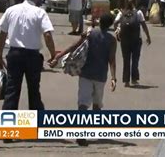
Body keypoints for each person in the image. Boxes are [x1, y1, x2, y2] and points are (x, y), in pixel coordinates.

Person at [0, 0, 56, 142]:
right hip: (32, 56)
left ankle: (7, 132)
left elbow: (2, 34)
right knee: (34, 91)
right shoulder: (40, 12)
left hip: (14, 54)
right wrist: (53, 55)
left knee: (12, 92)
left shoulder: (11, 10)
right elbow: (47, 35)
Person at [49, 12, 116, 146]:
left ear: (99, 22)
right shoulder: (111, 40)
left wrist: (57, 57)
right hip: (100, 76)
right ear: (110, 25)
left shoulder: (90, 34)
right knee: (97, 104)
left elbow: (74, 46)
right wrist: (114, 78)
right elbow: (112, 60)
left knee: (83, 104)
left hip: (85, 74)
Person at [114, 0, 151, 87]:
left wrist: (117, 33)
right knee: (135, 60)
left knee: (126, 60)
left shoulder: (121, 13)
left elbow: (115, 23)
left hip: (125, 40)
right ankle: (134, 79)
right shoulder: (138, 13)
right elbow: (143, 25)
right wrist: (148, 37)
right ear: (134, 3)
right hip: (136, 40)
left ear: (125, 4)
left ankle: (126, 81)